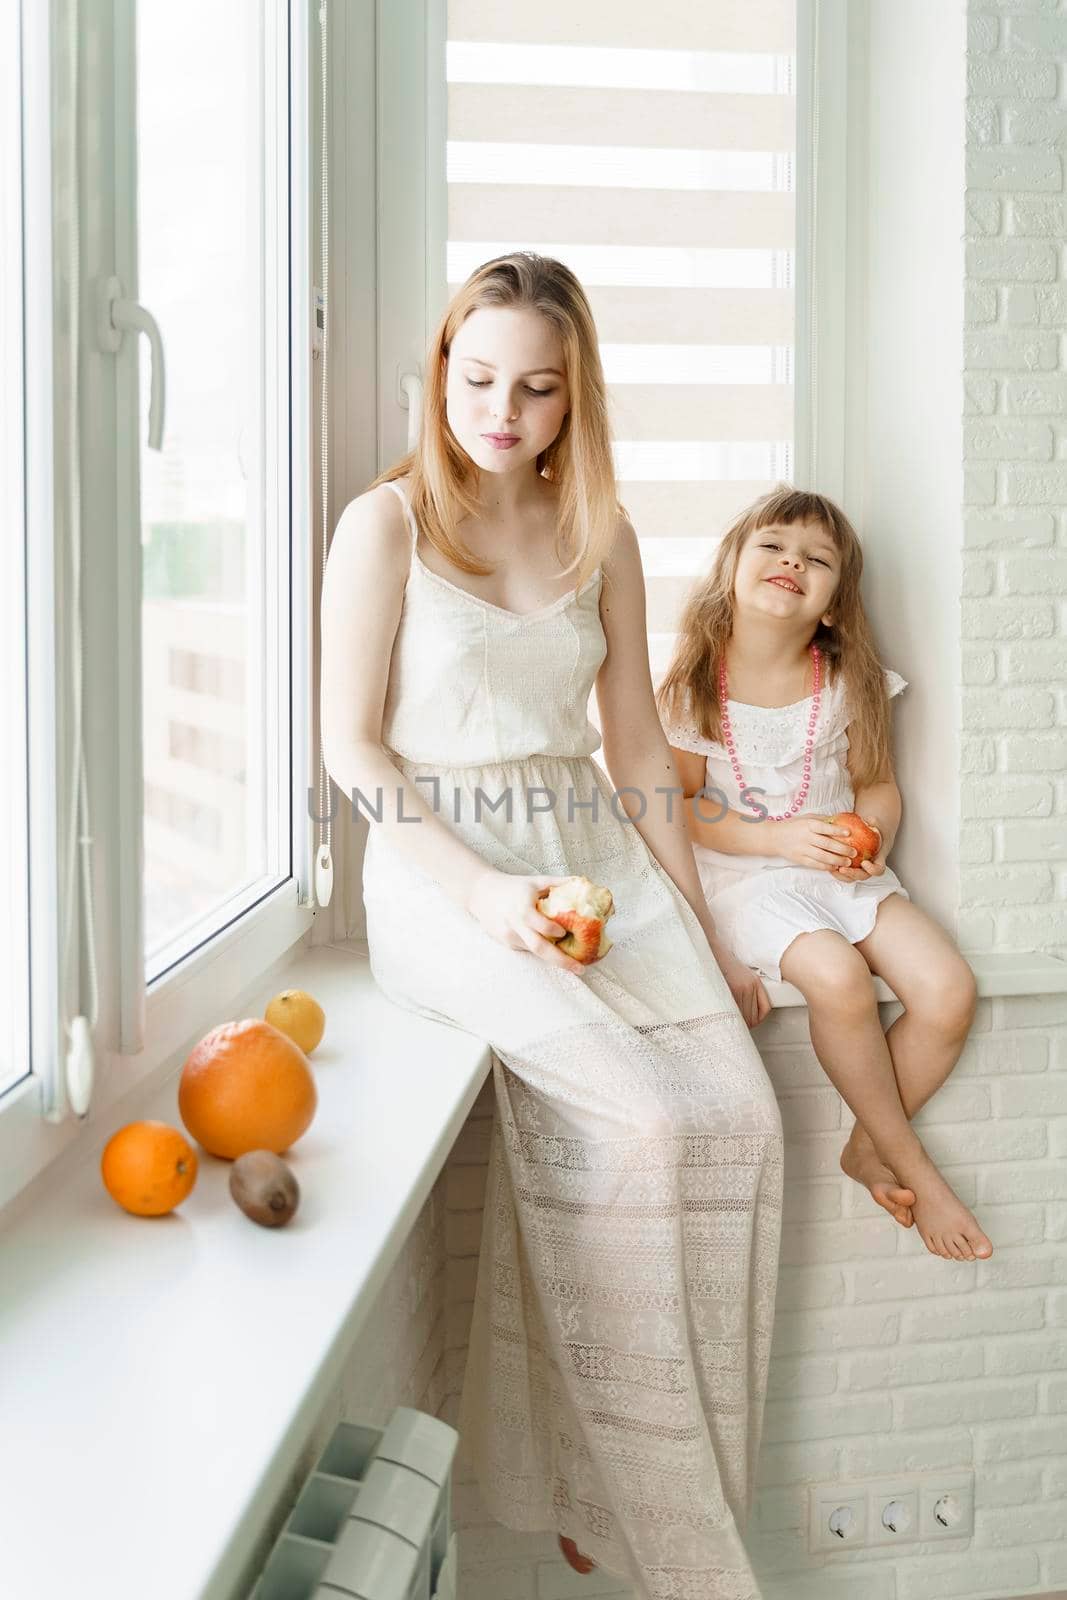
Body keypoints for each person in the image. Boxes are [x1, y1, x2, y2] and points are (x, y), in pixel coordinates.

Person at [320, 252, 784, 1599]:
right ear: (441, 372)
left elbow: (632, 741)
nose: (500, 410)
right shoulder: (387, 526)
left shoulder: (603, 533)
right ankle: (681, 1559)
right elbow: (351, 748)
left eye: (533, 387)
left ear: (572, 397)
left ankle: (593, 1487)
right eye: (476, 380)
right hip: (442, 875)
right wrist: (477, 894)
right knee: (637, 1124)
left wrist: (697, 924)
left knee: (741, 1125)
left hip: (590, 851)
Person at [656, 487, 993, 1265]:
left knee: (948, 992)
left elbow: (876, 783)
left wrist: (873, 832)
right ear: (731, 568)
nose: (791, 563)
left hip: (845, 877)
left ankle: (865, 1147)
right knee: (837, 978)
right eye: (772, 546)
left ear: (836, 601)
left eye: (816, 558)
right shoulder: (690, 687)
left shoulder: (851, 682)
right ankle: (912, 1166)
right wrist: (774, 837)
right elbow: (675, 807)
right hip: (747, 877)